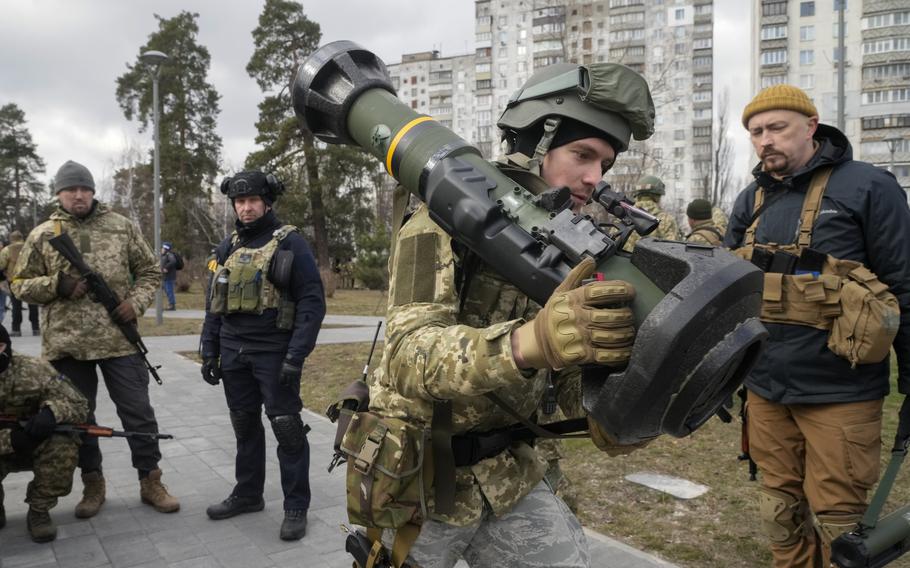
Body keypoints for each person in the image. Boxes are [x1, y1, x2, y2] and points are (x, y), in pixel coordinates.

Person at [360, 62, 653, 568]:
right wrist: (527, 342)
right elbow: (406, 356)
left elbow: (565, 375)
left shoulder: (570, 247)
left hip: (509, 474)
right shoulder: (440, 220)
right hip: (418, 482)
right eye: (583, 155)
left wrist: (609, 404)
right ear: (537, 144)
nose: (593, 178)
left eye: (604, 164)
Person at [725, 84, 910, 568]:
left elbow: (904, 285)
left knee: (839, 517)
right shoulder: (751, 199)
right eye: (756, 132)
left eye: (777, 128)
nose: (765, 140)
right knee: (778, 507)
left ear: (811, 127)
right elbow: (725, 290)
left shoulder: (869, 186)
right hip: (765, 387)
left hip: (840, 392)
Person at [11, 159, 179, 519]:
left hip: (119, 342)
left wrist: (134, 304)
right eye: (71, 189)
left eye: (85, 188)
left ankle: (151, 480)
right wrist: (56, 285)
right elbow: (18, 284)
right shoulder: (43, 234)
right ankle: (93, 483)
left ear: (92, 192)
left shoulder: (121, 227)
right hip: (66, 346)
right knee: (79, 420)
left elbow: (151, 270)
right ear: (58, 193)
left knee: (139, 414)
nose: (79, 195)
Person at [199, 171, 325, 541]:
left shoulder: (290, 243)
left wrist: (295, 356)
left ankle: (296, 505)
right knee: (244, 427)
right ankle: (248, 494)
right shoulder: (228, 246)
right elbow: (213, 303)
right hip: (234, 351)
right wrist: (210, 350)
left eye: (253, 200)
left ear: (267, 202)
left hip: (274, 353)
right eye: (240, 202)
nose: (246, 207)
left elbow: (312, 303)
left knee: (286, 428)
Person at [0, 323, 88, 542]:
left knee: (63, 444)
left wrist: (52, 412)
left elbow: (78, 403)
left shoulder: (33, 369)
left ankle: (39, 511)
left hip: (36, 444)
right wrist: (10, 440)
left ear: (4, 346)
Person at [622, 175, 681, 251]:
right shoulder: (667, 220)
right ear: (657, 196)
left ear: (637, 195)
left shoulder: (622, 216)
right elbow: (674, 251)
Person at [0, 231, 40, 337]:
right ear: (22, 237)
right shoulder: (31, 247)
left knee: (16, 306)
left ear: (11, 238)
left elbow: (1, 264)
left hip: (14, 281)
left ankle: (16, 329)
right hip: (30, 281)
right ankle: (36, 328)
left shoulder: (7, 249)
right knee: (33, 305)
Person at [160, 242, 178, 311]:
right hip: (164, 277)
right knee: (167, 291)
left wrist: (166, 268)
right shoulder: (163, 255)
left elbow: (173, 261)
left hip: (169, 277)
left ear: (166, 248)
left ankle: (172, 305)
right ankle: (169, 304)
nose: (161, 249)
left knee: (169, 291)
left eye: (162, 248)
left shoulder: (169, 255)